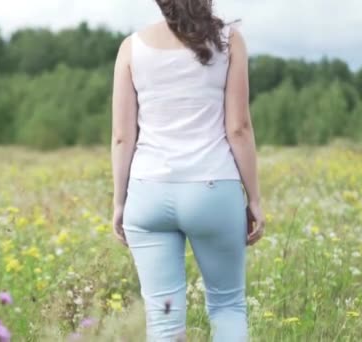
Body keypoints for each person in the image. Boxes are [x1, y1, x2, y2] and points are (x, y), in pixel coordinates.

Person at [110, 0, 265, 341]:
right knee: (227, 306)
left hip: (148, 193)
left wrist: (120, 203)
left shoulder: (131, 48)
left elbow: (123, 137)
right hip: (212, 190)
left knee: (163, 321)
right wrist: (254, 197)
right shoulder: (229, 41)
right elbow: (238, 127)